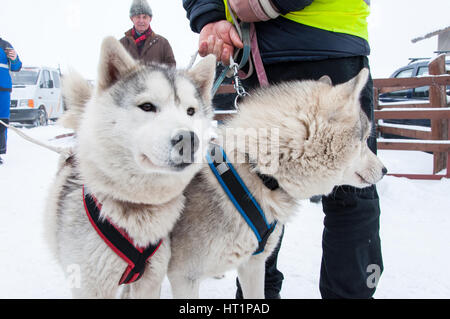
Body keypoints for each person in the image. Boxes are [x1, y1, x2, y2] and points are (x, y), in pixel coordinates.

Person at [183, 0, 383, 299]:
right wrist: (209, 17)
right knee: (257, 188)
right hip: (258, 49)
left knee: (348, 185)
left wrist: (263, 4)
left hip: (325, 37)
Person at [120, 0, 176, 67]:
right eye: (138, 17)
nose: (141, 21)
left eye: (144, 17)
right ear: (132, 19)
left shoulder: (163, 43)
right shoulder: (121, 44)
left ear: (150, 19)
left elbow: (171, 68)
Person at [0, 37, 22, 165]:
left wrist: (14, 59)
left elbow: (17, 66)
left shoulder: (5, 45)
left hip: (3, 89)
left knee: (2, 121)